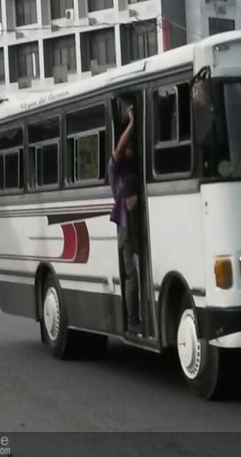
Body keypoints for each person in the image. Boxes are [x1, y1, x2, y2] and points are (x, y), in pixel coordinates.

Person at [108, 106, 141, 334]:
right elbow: (119, 149)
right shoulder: (116, 165)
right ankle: (132, 320)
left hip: (138, 222)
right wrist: (133, 122)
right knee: (132, 274)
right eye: (128, 144)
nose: (130, 148)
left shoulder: (134, 166)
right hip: (126, 223)